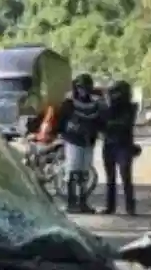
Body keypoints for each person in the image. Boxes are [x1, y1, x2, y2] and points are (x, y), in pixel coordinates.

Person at [56, 73, 103, 214]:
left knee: (84, 173)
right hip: (73, 141)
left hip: (88, 142)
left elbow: (98, 122)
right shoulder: (69, 103)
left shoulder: (95, 104)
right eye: (81, 88)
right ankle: (71, 203)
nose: (84, 91)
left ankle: (83, 202)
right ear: (76, 88)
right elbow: (61, 122)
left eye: (86, 88)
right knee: (72, 171)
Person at [101, 79, 139, 216]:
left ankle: (130, 207)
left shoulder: (131, 107)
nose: (113, 96)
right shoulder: (109, 107)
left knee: (126, 177)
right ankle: (110, 207)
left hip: (123, 145)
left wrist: (110, 124)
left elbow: (125, 124)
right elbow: (103, 124)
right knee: (110, 179)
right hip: (110, 145)